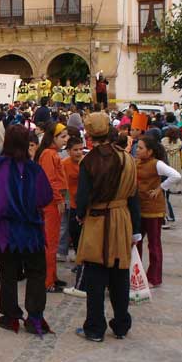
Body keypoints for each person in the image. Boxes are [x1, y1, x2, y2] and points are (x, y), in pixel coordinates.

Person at [75, 112, 140, 342]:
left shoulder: (89, 161)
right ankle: (121, 324)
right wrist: (136, 226)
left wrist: (80, 215)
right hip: (122, 217)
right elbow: (134, 195)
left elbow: (82, 197)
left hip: (98, 219)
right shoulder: (127, 158)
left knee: (95, 275)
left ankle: (95, 327)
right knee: (119, 273)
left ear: (90, 134)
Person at [0, 124, 53, 336]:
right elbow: (45, 197)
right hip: (30, 229)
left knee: (8, 273)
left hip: (6, 230)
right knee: (35, 272)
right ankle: (34, 317)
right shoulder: (34, 169)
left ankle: (10, 315)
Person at [136, 136, 181, 288]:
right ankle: (137, 274)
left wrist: (161, 188)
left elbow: (176, 176)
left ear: (150, 152)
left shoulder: (157, 164)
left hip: (153, 209)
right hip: (138, 207)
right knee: (136, 242)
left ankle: (154, 277)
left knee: (154, 244)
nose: (137, 150)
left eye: (141, 148)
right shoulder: (136, 163)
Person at [34, 122, 69, 293]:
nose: (66, 140)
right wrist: (59, 200)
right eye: (62, 137)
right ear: (53, 138)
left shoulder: (51, 153)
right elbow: (50, 180)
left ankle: (52, 276)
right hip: (51, 203)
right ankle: (48, 281)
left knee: (52, 240)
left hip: (54, 202)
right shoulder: (49, 154)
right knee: (50, 241)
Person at [61, 135, 86, 298]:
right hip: (71, 204)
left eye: (80, 149)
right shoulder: (64, 164)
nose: (78, 152)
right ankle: (78, 260)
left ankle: (82, 261)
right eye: (75, 150)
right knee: (74, 232)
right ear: (68, 151)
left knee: (83, 235)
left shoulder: (87, 162)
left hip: (84, 204)